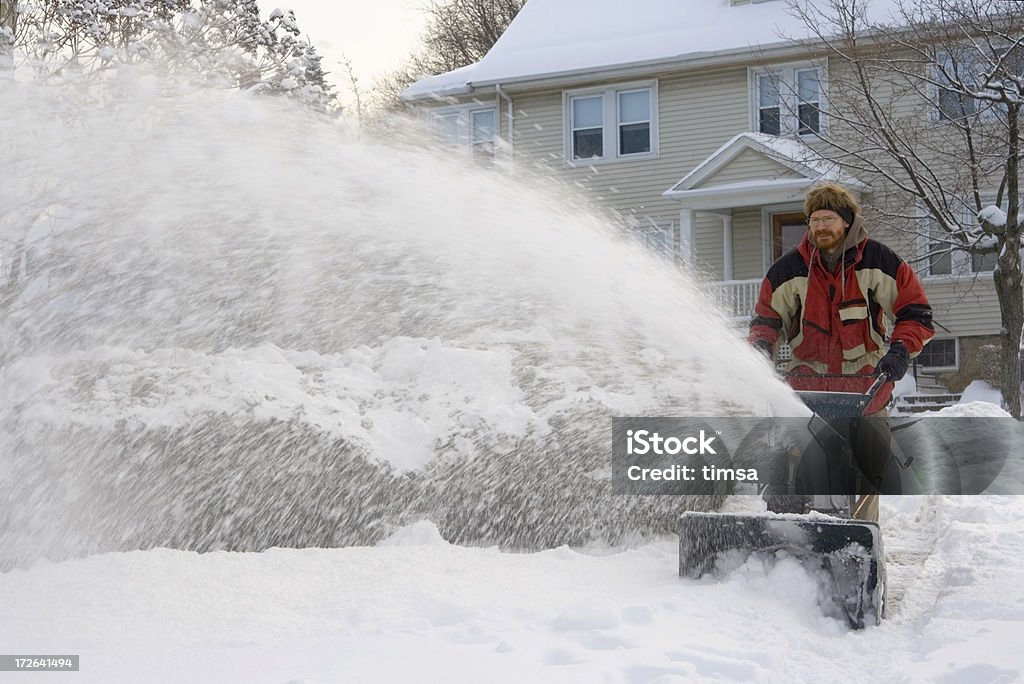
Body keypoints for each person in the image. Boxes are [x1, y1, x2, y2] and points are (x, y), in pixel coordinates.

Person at [748, 182, 935, 522]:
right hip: (807, 395)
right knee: (790, 473)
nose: (820, 226)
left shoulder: (880, 262)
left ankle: (863, 543)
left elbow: (916, 314)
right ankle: (788, 540)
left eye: (828, 218)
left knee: (866, 476)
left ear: (847, 220)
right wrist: (761, 350)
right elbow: (765, 320)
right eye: (814, 219)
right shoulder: (788, 271)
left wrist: (900, 350)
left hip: (867, 391)